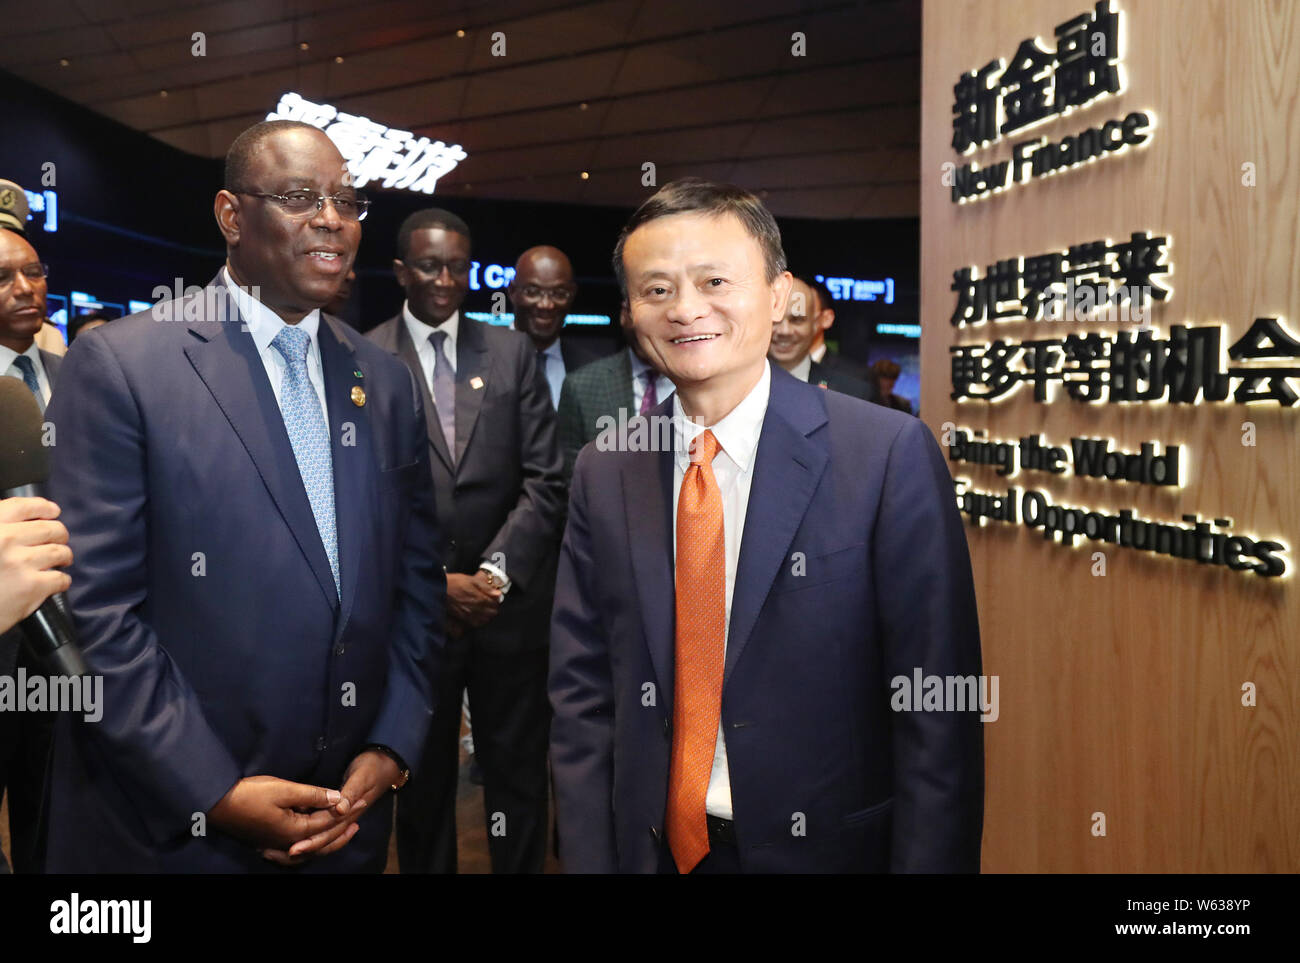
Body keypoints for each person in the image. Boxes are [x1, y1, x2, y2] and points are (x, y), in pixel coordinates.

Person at [43, 119, 445, 872]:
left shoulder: (385, 382)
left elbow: (416, 582)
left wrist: (393, 743)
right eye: (300, 196)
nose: (332, 218)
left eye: (348, 201)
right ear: (232, 216)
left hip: (347, 821)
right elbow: (95, 614)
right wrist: (215, 790)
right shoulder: (123, 367)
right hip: (177, 828)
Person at [549, 177, 984, 873]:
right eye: (656, 289)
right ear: (629, 311)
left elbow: (936, 720)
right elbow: (583, 698)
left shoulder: (885, 456)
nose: (687, 308)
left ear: (779, 296)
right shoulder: (608, 467)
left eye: (714, 280)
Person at [368, 209, 565, 874]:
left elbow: (546, 479)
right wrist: (433, 584)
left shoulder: (511, 353)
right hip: (416, 615)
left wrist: (495, 576)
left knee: (516, 775)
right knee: (421, 781)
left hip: (507, 613)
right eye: (430, 265)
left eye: (458, 264)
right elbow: (364, 499)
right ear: (401, 271)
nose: (446, 279)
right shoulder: (365, 356)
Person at [0, 219, 63, 874]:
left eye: (35, 272)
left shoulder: (79, 375)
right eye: (3, 278)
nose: (26, 288)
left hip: (70, 646)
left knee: (52, 826)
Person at [557, 301, 674, 481]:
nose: (649, 330)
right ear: (625, 315)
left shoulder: (704, 384)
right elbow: (571, 480)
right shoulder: (582, 387)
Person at [508, 245, 613, 407]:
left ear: (572, 295)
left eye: (559, 294)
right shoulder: (481, 360)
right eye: (533, 292)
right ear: (512, 291)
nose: (546, 304)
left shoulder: (595, 373)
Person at [769, 275, 877, 402]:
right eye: (775, 320)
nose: (784, 331)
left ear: (816, 323)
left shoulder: (853, 391)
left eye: (797, 320)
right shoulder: (742, 382)